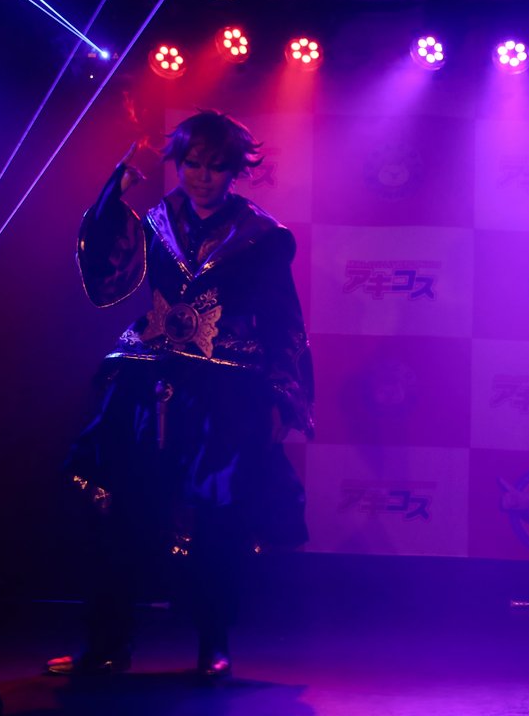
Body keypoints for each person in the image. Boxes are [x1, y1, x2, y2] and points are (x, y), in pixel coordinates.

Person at [47, 110, 314, 678]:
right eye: (192, 164)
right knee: (124, 512)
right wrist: (114, 191)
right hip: (149, 385)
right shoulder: (155, 221)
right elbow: (105, 282)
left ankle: (214, 643)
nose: (201, 177)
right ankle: (108, 644)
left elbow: (284, 321)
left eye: (215, 167)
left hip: (226, 391)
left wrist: (281, 395)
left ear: (235, 171)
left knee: (220, 518)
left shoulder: (262, 237)